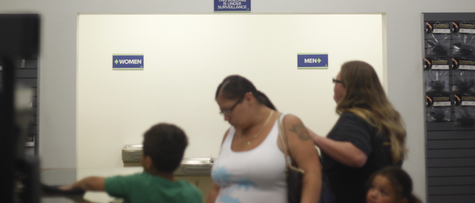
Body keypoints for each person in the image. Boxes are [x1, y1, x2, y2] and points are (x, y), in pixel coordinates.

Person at [209, 75, 321, 203]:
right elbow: (217, 188)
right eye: (222, 112)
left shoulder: (287, 125)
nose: (226, 118)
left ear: (249, 98)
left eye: (228, 110)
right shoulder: (230, 134)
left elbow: (312, 173)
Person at [308, 61, 407, 203]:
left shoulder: (354, 118)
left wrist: (314, 138)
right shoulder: (386, 120)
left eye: (336, 81)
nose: (334, 86)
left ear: (348, 88)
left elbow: (357, 156)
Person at [60, 123, 202, 203]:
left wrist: (69, 187)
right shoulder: (193, 193)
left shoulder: (137, 184)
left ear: (148, 161)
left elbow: (90, 183)